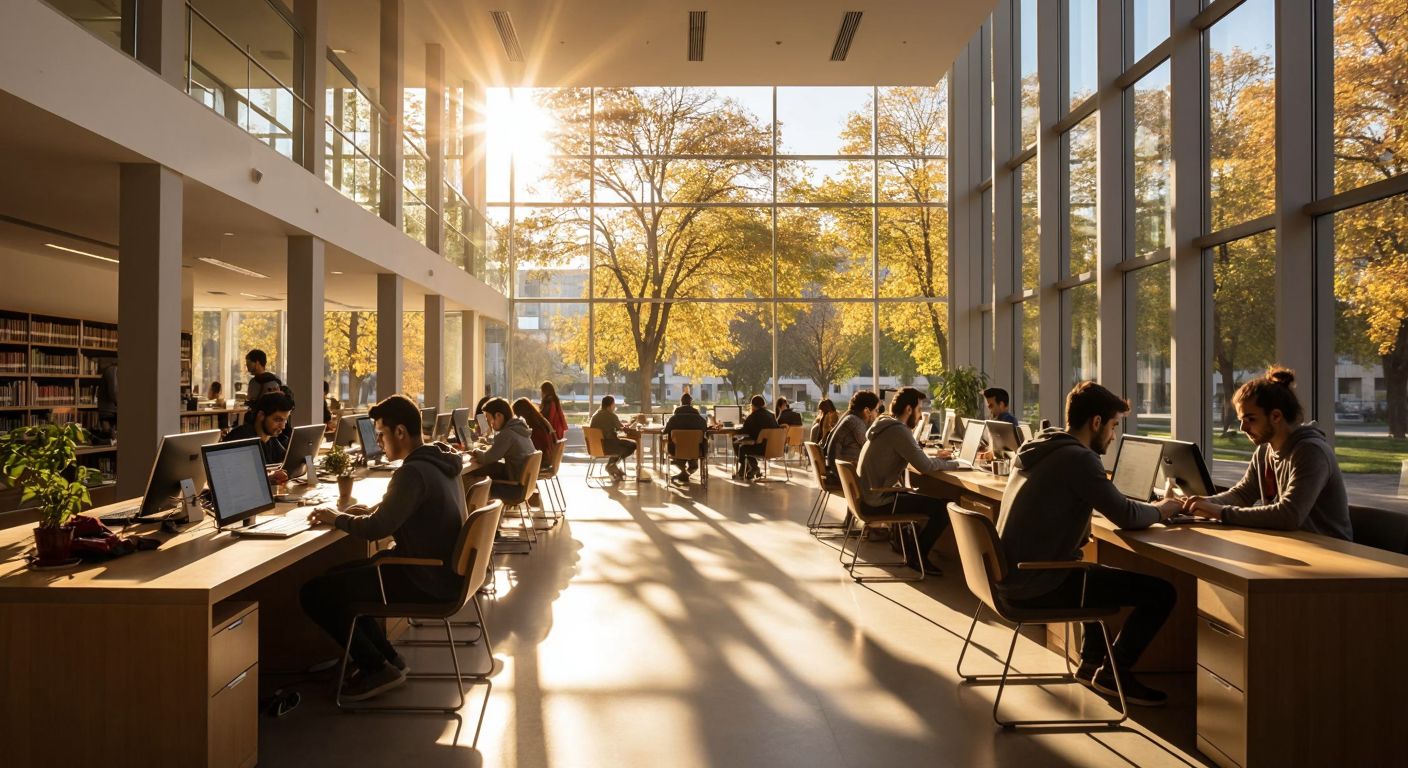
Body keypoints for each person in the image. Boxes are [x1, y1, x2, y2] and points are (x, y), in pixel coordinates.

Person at [996, 381, 1184, 707]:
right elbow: (1126, 515)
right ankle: (1114, 672)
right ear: (1096, 422)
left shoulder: (1042, 447)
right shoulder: (1078, 459)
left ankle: (1091, 663)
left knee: (1088, 569)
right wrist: (1163, 509)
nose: (1113, 436)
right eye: (1113, 426)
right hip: (1038, 584)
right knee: (1161, 593)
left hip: (1014, 577)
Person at [303, 395, 467, 702]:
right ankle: (388, 659)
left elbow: (376, 530)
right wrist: (373, 511)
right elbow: (405, 509)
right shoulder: (439, 462)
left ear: (400, 432)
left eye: (381, 433)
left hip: (423, 580)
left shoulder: (412, 472)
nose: (378, 441)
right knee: (336, 577)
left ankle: (376, 668)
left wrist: (335, 518)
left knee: (315, 592)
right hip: (441, 573)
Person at [1181, 367, 1352, 540]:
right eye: (1241, 420)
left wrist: (1220, 512)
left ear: (1276, 416)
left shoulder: (1311, 452)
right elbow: (1243, 494)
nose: (1243, 428)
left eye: (1250, 419)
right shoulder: (1264, 451)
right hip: (1290, 543)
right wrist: (1200, 503)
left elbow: (1289, 515)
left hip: (1330, 549)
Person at [855, 387, 957, 574]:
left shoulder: (884, 425)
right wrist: (955, 464)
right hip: (878, 501)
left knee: (922, 498)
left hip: (869, 497)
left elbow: (914, 456)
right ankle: (917, 556)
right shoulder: (899, 431)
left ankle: (910, 548)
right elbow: (924, 467)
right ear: (909, 409)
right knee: (944, 508)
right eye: (919, 410)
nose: (920, 416)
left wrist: (934, 458)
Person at [468, 397, 537, 498]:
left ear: (498, 415)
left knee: (472, 479)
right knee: (491, 468)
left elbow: (486, 459)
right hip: (524, 485)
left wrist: (474, 451)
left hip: (515, 489)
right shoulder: (519, 429)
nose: (489, 424)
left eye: (489, 419)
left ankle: (470, 507)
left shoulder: (507, 434)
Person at [222, 391, 294, 465]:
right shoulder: (241, 440)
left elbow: (286, 462)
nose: (283, 426)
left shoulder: (271, 439)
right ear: (261, 415)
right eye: (278, 420)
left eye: (285, 420)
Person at [824, 390, 880, 478]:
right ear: (866, 411)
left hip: (841, 471)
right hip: (846, 475)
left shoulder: (850, 418)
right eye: (876, 410)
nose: (877, 414)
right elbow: (869, 449)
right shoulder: (855, 422)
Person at [588, 395, 637, 481]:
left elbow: (608, 427)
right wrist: (630, 425)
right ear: (610, 405)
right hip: (608, 445)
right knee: (633, 445)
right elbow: (623, 429)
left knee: (622, 445)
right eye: (614, 404)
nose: (615, 406)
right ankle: (611, 465)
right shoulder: (611, 415)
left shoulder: (595, 415)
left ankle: (612, 466)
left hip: (596, 447)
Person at [663, 392, 708, 484]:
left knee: (675, 448)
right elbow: (706, 432)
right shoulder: (700, 420)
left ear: (681, 402)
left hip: (676, 451)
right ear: (691, 403)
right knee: (695, 456)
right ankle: (687, 472)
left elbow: (665, 432)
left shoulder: (673, 419)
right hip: (696, 451)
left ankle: (683, 472)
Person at [734, 395, 780, 480]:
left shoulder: (752, 417)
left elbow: (743, 431)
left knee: (740, 446)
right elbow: (777, 430)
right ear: (763, 404)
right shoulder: (772, 415)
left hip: (760, 449)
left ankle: (751, 468)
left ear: (753, 406)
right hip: (775, 449)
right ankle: (751, 469)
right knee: (747, 446)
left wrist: (736, 429)